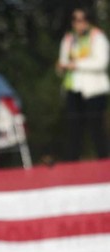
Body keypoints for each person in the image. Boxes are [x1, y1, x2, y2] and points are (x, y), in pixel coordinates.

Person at [56, 7, 110, 161]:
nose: (78, 23)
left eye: (82, 19)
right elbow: (63, 62)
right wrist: (61, 67)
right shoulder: (68, 39)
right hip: (73, 88)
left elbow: (101, 63)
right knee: (74, 130)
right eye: (75, 19)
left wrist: (77, 65)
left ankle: (105, 163)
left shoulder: (97, 37)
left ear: (88, 20)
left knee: (96, 128)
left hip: (94, 90)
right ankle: (73, 168)